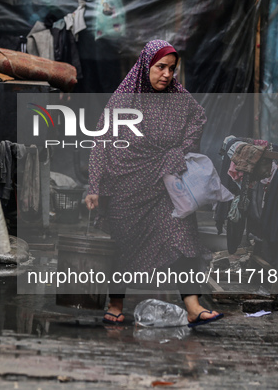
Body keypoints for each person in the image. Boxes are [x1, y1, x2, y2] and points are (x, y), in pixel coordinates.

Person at [85, 40, 223, 327]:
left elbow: (198, 117)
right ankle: (115, 303)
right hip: (127, 188)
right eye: (160, 67)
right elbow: (101, 141)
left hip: (165, 187)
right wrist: (95, 185)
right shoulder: (125, 98)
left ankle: (193, 306)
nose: (167, 74)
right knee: (124, 246)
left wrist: (181, 149)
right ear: (145, 66)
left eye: (172, 68)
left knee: (183, 239)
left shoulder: (178, 97)